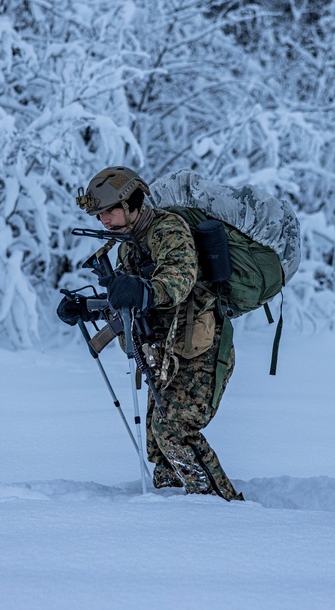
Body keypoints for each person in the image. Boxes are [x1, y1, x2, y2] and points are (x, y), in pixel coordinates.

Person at [58, 166, 243, 501]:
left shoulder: (168, 230)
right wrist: (89, 307)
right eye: (99, 215)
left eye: (110, 211)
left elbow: (178, 280)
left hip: (200, 350)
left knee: (174, 431)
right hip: (165, 353)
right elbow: (127, 301)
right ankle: (172, 514)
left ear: (133, 203)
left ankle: (224, 511)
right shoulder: (127, 246)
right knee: (158, 444)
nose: (104, 221)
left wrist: (144, 292)